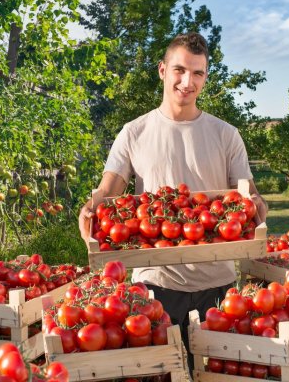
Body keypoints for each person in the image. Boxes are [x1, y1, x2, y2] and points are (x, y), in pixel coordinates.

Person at [78, 32, 268, 371]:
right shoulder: (134, 132)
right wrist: (91, 209)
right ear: (163, 70)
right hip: (155, 288)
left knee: (216, 376)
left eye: (198, 73)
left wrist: (257, 207)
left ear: (206, 77)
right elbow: (109, 189)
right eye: (180, 70)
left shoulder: (226, 134)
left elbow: (247, 194)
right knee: (161, 376)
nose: (187, 81)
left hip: (218, 285)